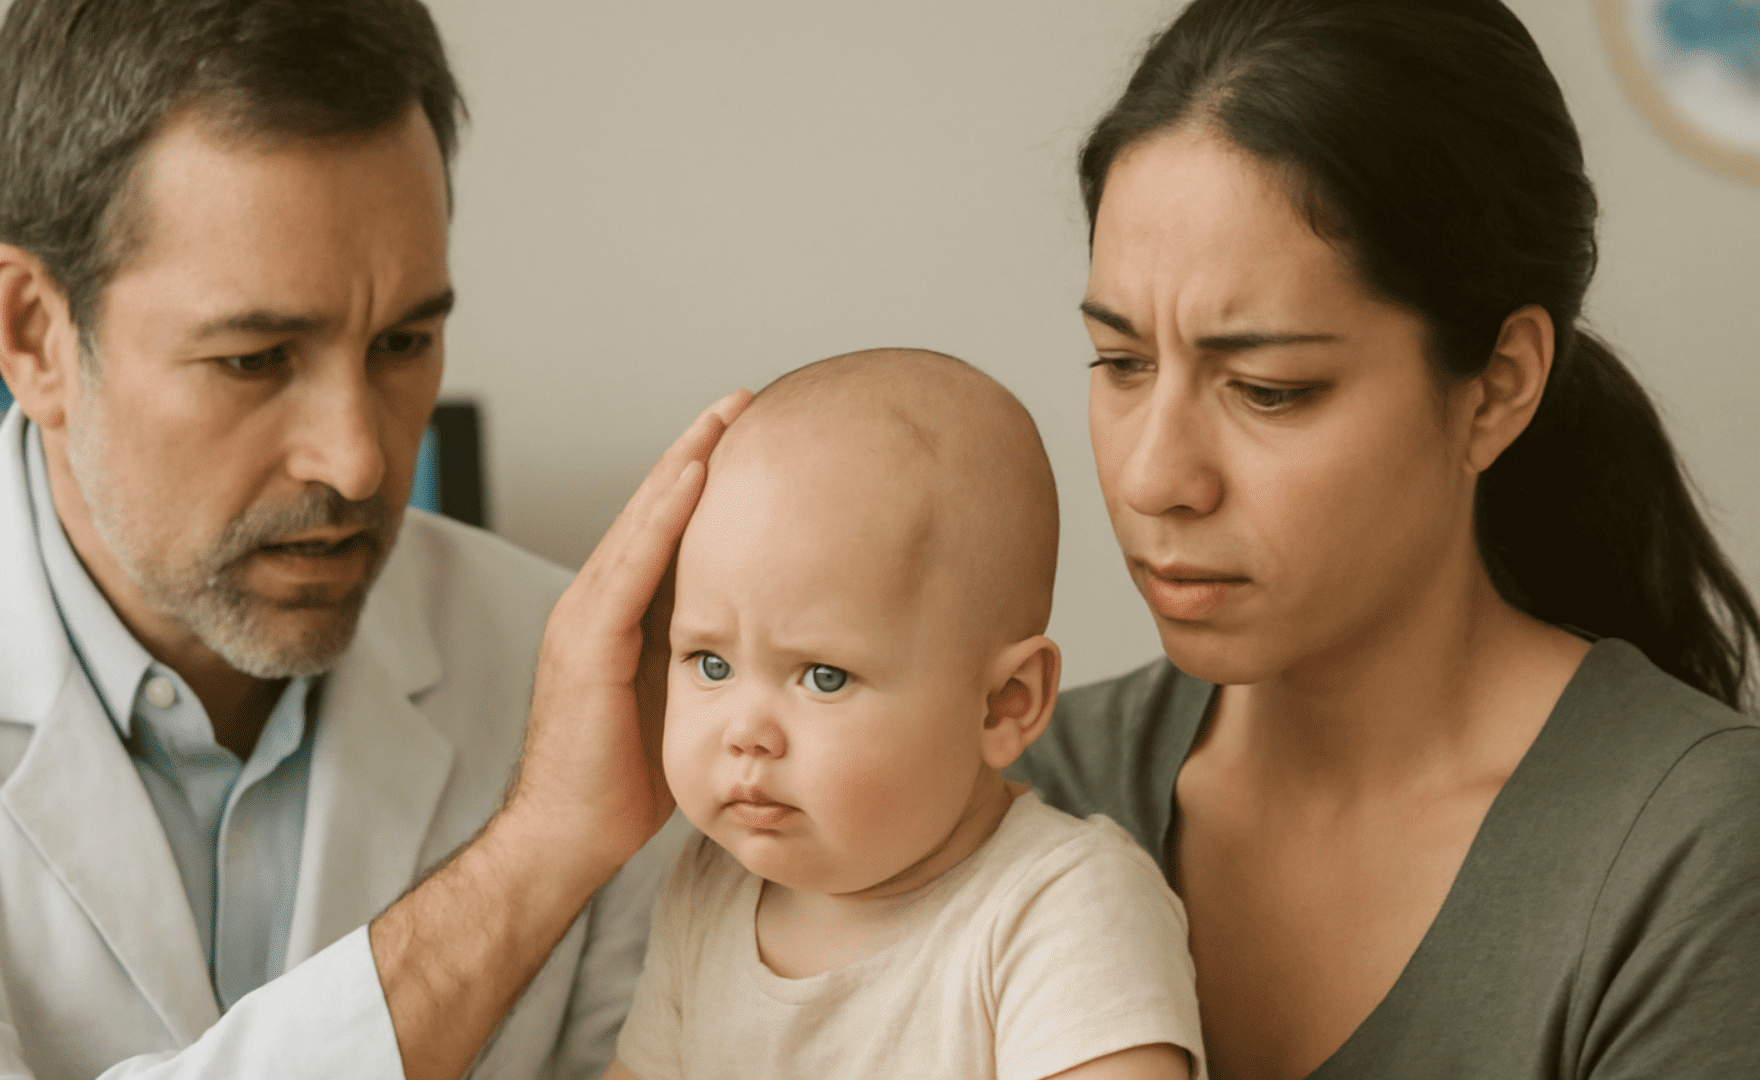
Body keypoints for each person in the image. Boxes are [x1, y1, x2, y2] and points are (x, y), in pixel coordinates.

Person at [0, 1, 746, 1078]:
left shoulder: (604, 682)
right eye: (258, 358)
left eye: (404, 341)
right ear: (34, 333)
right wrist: (533, 856)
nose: (358, 461)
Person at [1007, 1, 1760, 1078]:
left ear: (1497, 389)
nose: (1151, 477)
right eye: (1121, 363)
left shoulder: (1689, 855)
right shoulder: (1019, 784)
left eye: (1270, 390)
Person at [605, 349, 1203, 1080]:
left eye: (823, 677)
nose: (744, 732)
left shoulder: (1061, 906)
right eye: (711, 664)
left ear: (1003, 705)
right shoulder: (709, 887)